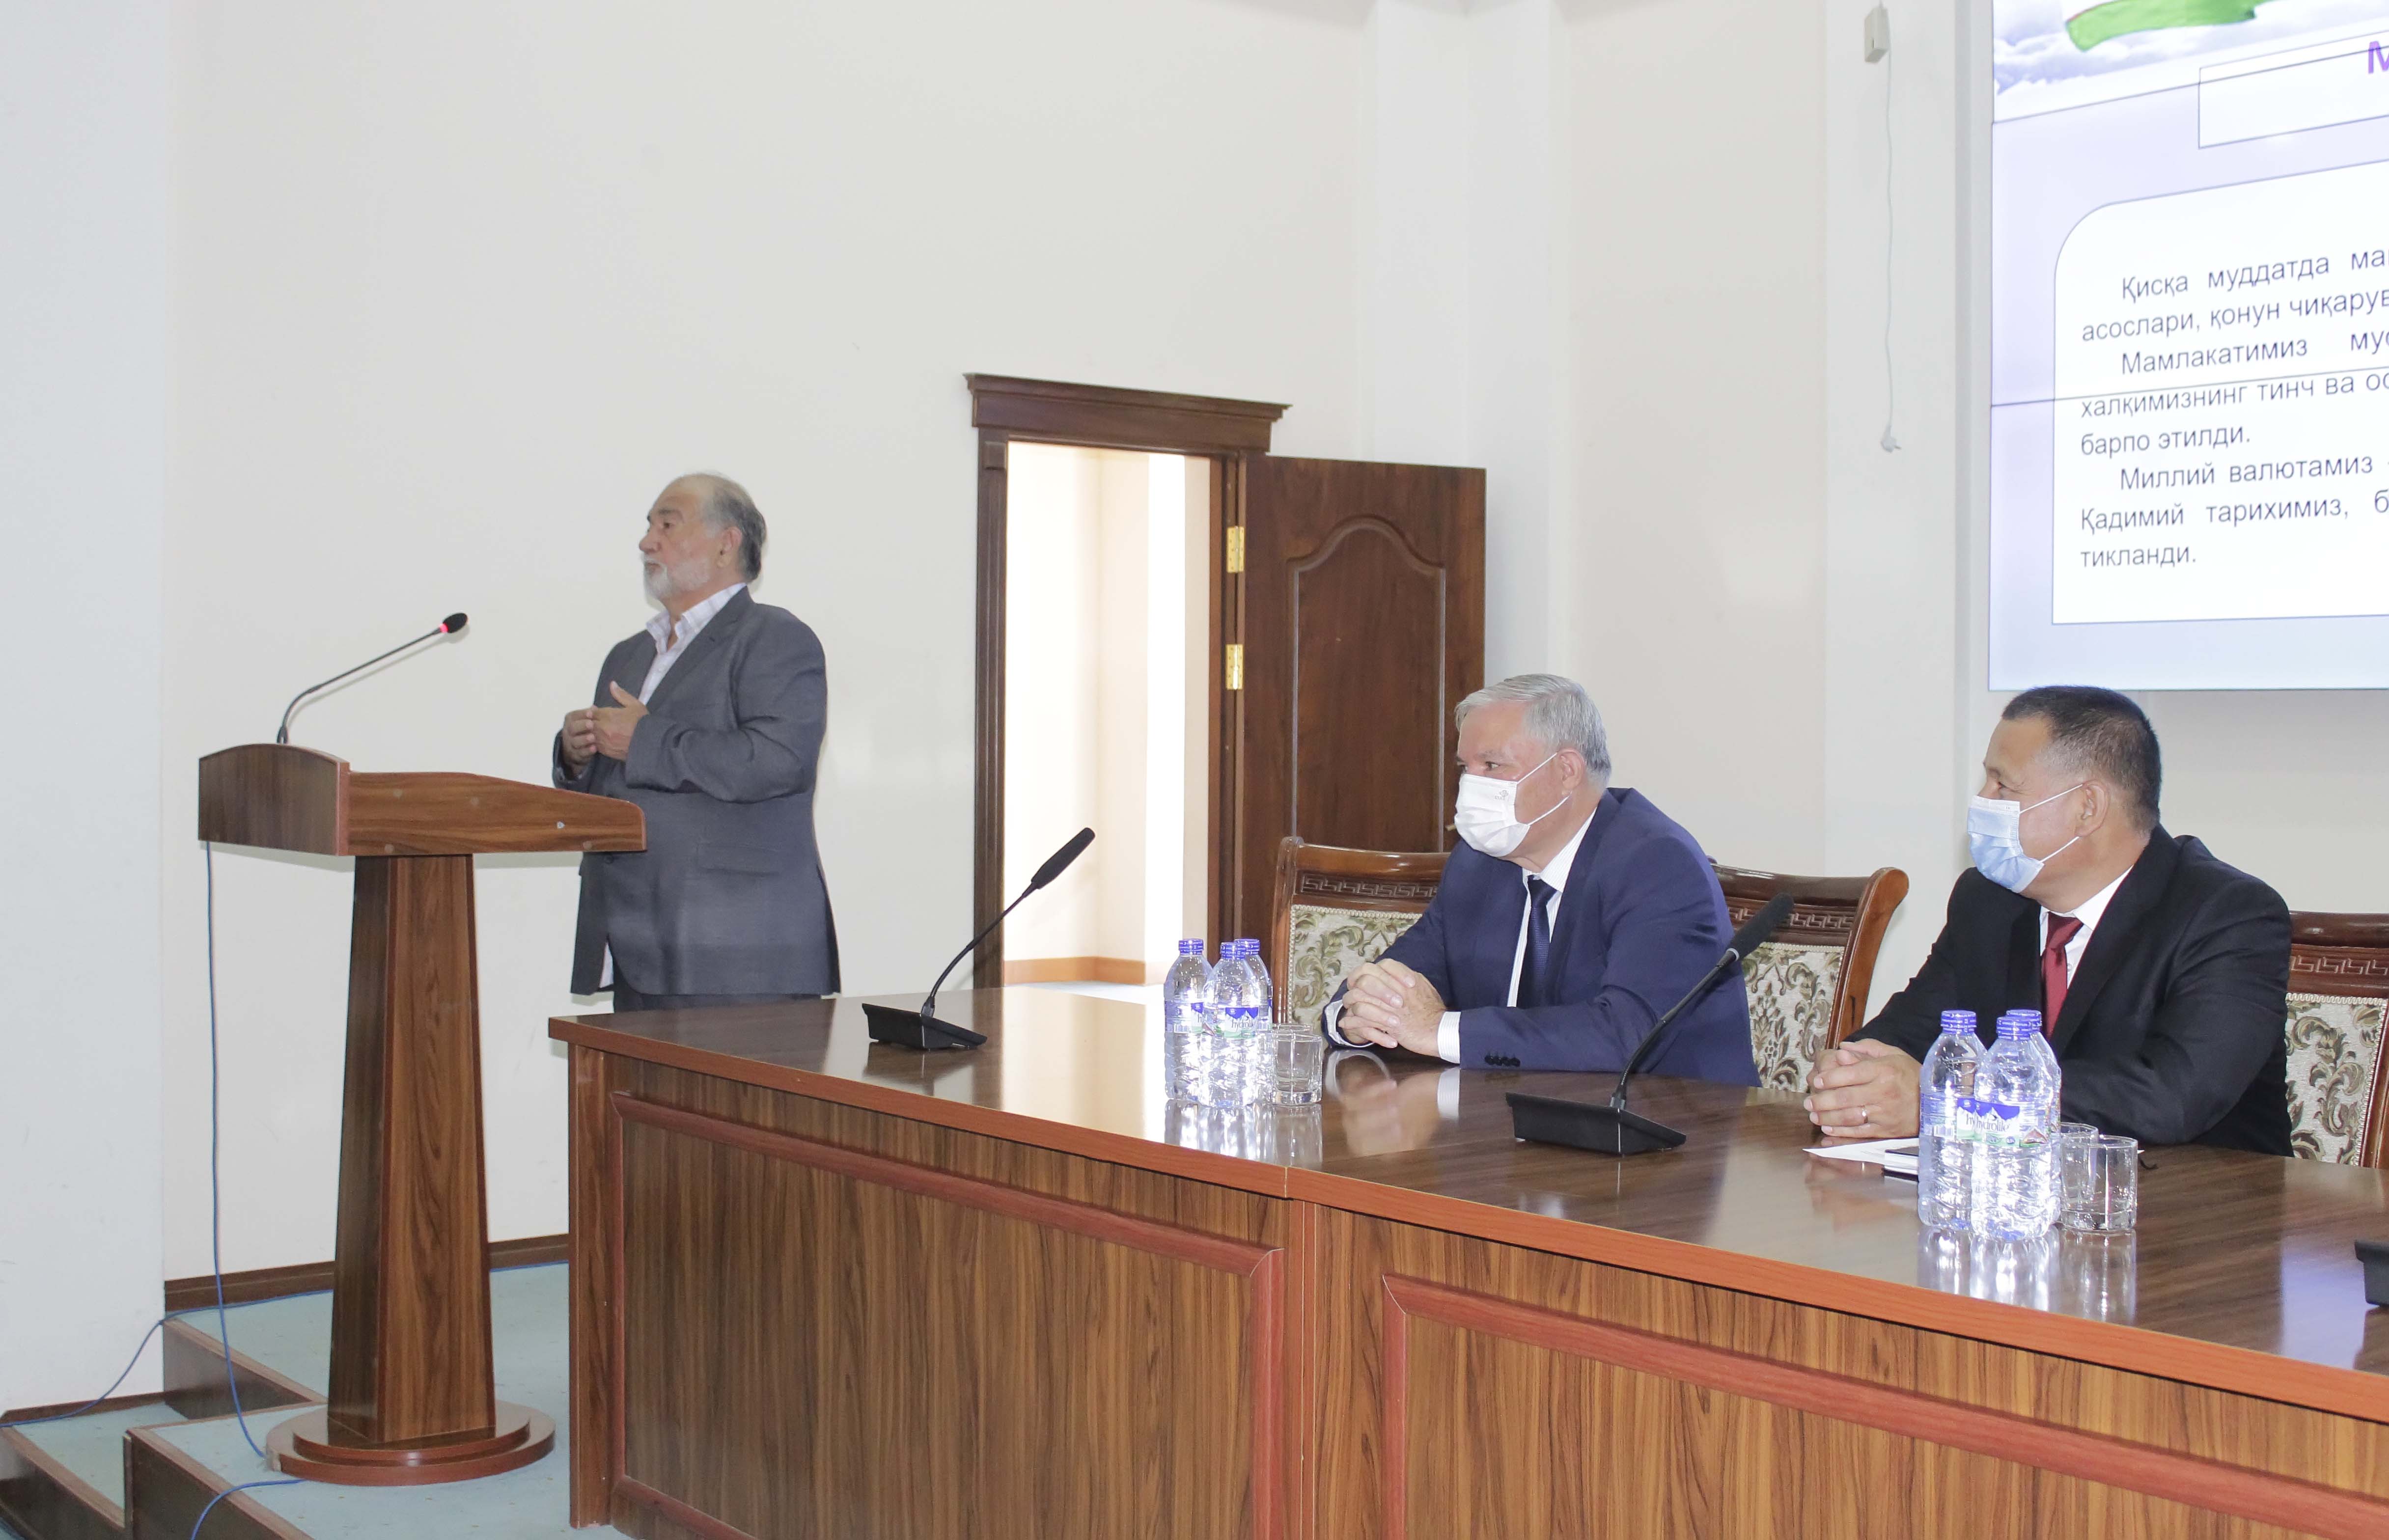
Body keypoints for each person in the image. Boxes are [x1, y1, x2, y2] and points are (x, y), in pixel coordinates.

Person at [1806, 685, 2289, 1154]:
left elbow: (2172, 1097)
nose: (1982, 799)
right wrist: (1852, 1075)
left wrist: (1949, 1096)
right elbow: (1907, 1034)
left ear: (2087, 808)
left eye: (2003, 785)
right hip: (2015, 1192)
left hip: (2198, 1198)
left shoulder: (2228, 914)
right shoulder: (1988, 901)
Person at [1327, 674, 1756, 1083]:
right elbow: (1395, 977)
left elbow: (1626, 1034)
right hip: (1509, 1116)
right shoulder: (1479, 864)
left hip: (1669, 1120)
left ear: (1567, 771)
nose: (1470, 786)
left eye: (1492, 765)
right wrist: (1358, 1018)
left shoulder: (1656, 864)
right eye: (1465, 768)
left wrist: (1439, 1031)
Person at [556, 473, 839, 1010]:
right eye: (648, 527)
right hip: (637, 943)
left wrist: (642, 739)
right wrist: (578, 755)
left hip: (737, 951)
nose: (647, 542)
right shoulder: (628, 655)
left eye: (667, 525)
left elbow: (779, 761)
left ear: (726, 544)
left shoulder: (775, 638)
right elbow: (620, 781)